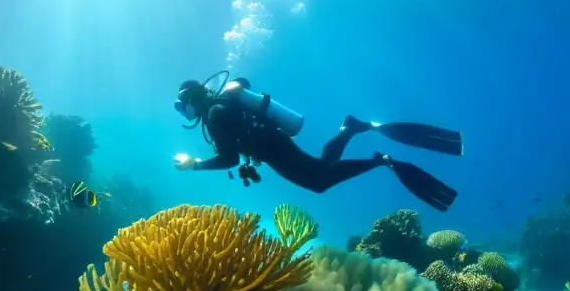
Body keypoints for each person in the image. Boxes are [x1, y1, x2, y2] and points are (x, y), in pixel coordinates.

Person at [172, 71, 463, 211]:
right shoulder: (223, 100)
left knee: (318, 181)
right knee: (321, 167)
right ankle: (349, 128)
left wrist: (194, 165)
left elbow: (230, 159)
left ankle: (381, 160)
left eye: (183, 108)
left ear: (191, 102)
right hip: (274, 142)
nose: (186, 114)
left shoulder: (214, 116)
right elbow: (243, 83)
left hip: (272, 149)